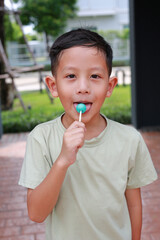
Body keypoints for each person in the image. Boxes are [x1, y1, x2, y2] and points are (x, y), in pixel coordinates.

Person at [19, 28, 157, 240]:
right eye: (71, 76)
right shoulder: (41, 138)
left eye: (95, 76)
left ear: (109, 86)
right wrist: (63, 160)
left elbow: (134, 203)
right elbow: (36, 213)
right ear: (53, 86)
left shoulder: (129, 140)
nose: (83, 87)